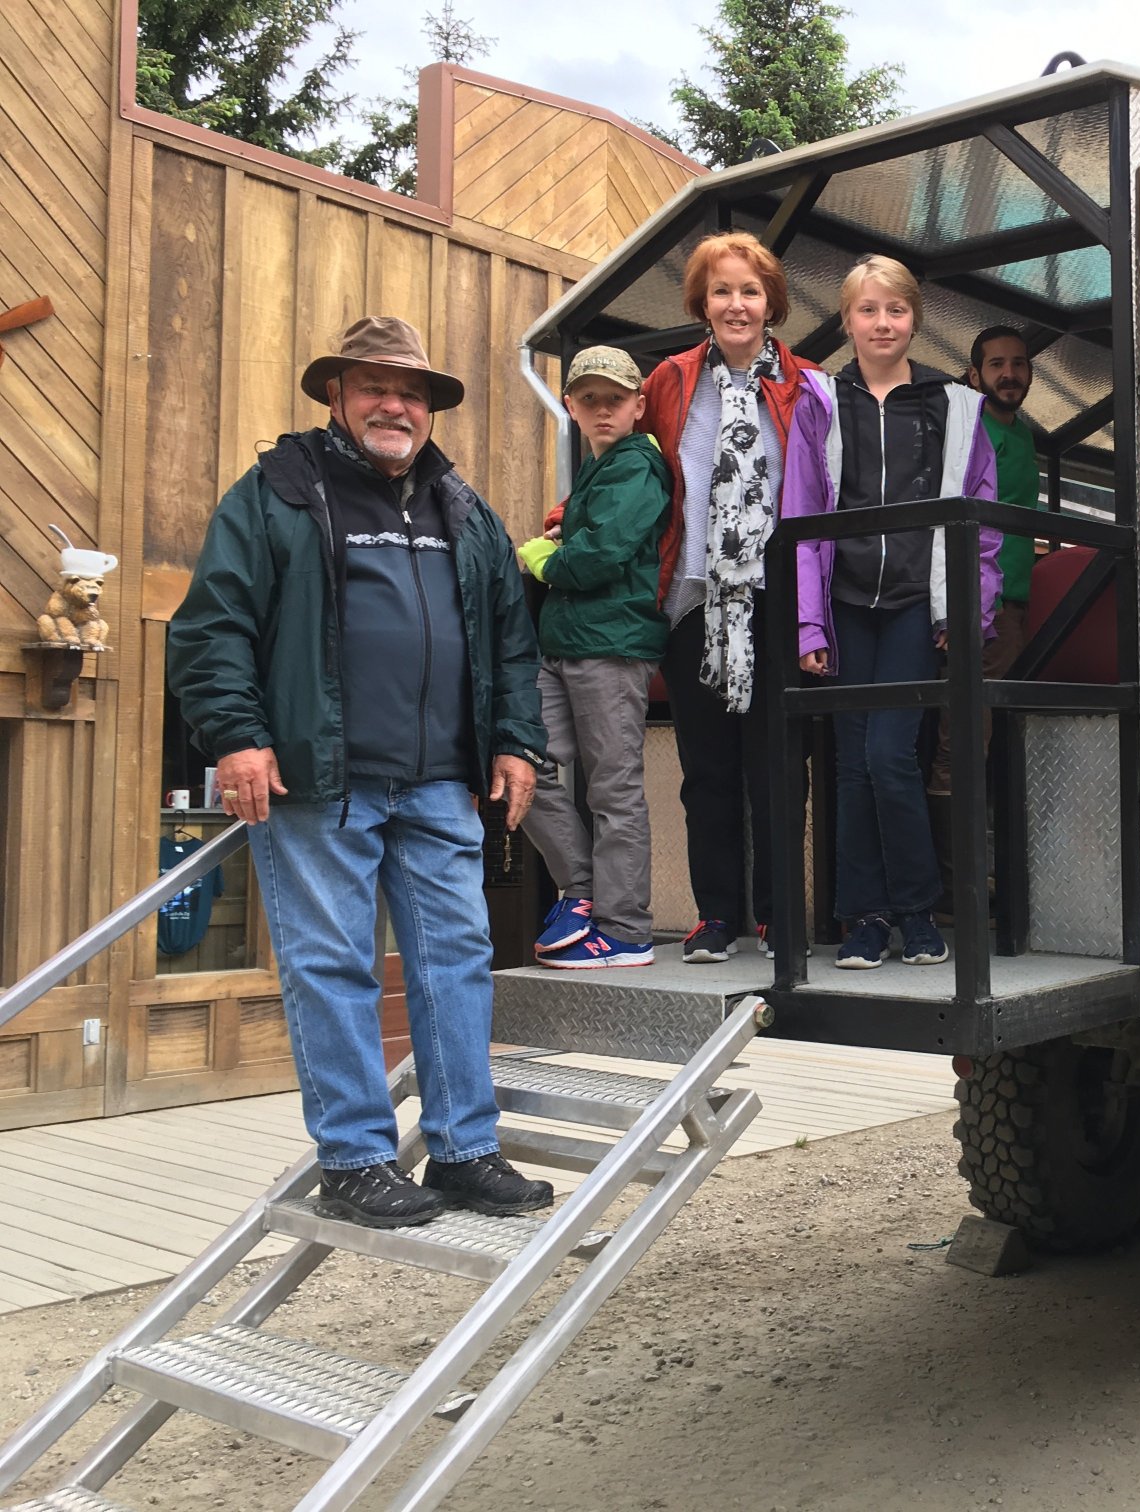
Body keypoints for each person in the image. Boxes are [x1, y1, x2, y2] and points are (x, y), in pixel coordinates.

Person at [167, 315, 552, 1228]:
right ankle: (354, 1160)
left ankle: (463, 1150)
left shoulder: (462, 507)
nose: (395, 404)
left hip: (437, 783)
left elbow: (510, 639)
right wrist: (234, 736)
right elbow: (211, 624)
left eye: (411, 391)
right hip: (315, 779)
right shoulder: (278, 492)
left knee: (456, 959)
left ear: (428, 409)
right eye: (375, 386)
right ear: (335, 396)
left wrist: (514, 739)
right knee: (335, 965)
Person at [576, 232, 823, 965]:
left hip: (775, 601)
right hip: (690, 601)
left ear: (771, 300)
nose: (737, 304)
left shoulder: (808, 385)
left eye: (750, 291)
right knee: (706, 771)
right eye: (722, 291)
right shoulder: (671, 381)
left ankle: (781, 916)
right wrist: (571, 521)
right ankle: (717, 915)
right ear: (702, 303)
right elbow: (628, 465)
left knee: (778, 770)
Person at [783, 255, 1001, 969]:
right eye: (868, 310)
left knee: (890, 757)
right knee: (850, 766)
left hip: (914, 604)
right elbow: (803, 512)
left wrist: (966, 612)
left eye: (896, 310)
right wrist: (808, 623)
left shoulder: (953, 406)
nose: (882, 323)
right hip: (844, 606)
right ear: (846, 319)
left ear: (915, 319)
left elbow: (983, 520)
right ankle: (866, 920)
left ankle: (918, 909)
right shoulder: (819, 400)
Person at [515, 347, 671, 968]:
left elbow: (603, 553)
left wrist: (547, 558)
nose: (603, 410)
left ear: (638, 406)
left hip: (612, 645)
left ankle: (627, 929)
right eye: (589, 400)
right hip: (563, 643)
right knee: (529, 767)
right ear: (574, 408)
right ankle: (580, 892)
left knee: (613, 790)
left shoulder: (638, 464)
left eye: (615, 399)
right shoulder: (598, 466)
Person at [927, 324, 1042, 797]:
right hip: (974, 606)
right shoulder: (964, 429)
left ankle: (986, 853)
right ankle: (959, 866)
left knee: (991, 732)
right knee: (964, 736)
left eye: (1018, 364)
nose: (1009, 373)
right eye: (996, 364)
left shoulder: (1028, 437)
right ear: (975, 375)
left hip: (1015, 606)